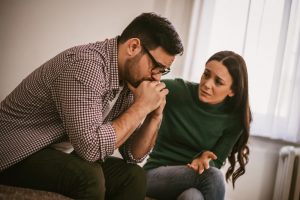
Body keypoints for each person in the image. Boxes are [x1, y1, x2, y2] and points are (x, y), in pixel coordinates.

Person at [0, 12, 184, 200]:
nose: (157, 77)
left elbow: (132, 155)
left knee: (134, 176)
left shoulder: (131, 81)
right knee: (89, 176)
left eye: (163, 71)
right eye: (155, 66)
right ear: (133, 46)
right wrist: (141, 107)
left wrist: (154, 116)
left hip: (59, 153)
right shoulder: (86, 66)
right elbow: (91, 149)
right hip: (16, 152)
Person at [144, 50, 252, 200]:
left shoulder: (235, 120)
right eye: (206, 74)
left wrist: (205, 160)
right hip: (155, 175)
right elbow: (144, 82)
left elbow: (217, 161)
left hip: (193, 182)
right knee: (213, 176)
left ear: (232, 91)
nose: (207, 84)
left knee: (193, 197)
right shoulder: (178, 91)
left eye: (218, 82)